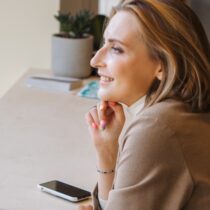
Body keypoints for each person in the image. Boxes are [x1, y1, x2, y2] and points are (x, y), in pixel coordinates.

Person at [77, 0, 210, 209]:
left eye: (116, 49)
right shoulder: (176, 114)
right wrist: (106, 152)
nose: (95, 61)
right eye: (104, 44)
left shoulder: (158, 127)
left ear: (162, 64)